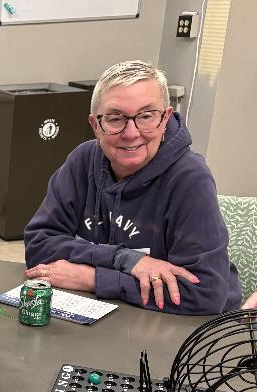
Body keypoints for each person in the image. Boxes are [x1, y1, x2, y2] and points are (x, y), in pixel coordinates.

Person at [24, 60, 240, 314]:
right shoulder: (82, 161)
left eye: (146, 116)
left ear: (165, 118)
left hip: (188, 326)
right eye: (116, 118)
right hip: (108, 313)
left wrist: (92, 278)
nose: (131, 132)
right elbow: (38, 246)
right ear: (95, 125)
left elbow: (206, 294)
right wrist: (125, 259)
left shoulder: (190, 178)